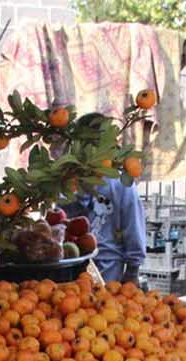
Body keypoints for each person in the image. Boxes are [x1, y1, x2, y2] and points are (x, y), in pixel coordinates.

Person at [61, 114, 146, 284]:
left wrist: (132, 271)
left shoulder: (120, 183)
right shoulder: (68, 181)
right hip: (72, 265)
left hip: (106, 270)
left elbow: (133, 227)